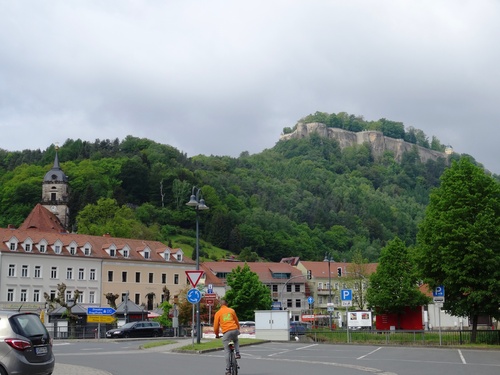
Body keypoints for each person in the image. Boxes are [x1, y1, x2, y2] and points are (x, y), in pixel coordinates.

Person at [213, 299, 241, 375]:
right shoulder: (231, 310)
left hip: (226, 333)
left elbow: (216, 326)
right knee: (236, 340)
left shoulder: (218, 313)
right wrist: (238, 329)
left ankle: (228, 369)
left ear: (220, 305)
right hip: (234, 330)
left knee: (227, 351)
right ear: (227, 304)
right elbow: (236, 321)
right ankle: (237, 353)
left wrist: (217, 335)